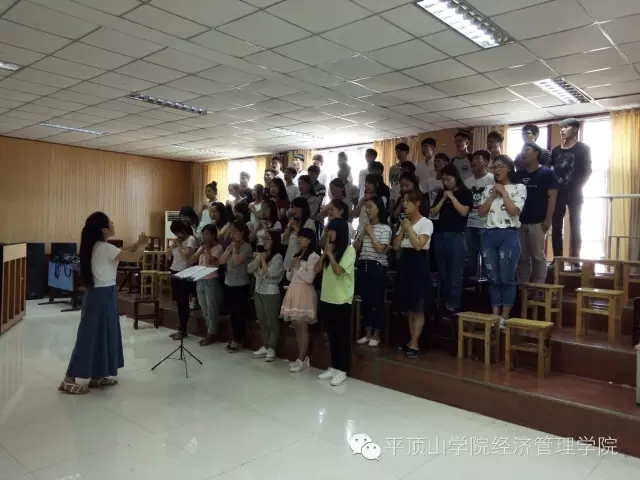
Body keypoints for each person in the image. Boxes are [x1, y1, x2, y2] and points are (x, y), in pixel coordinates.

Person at [59, 212, 148, 394]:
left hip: (101, 294)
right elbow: (133, 257)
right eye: (110, 222)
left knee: (104, 334)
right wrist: (143, 246)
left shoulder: (97, 246)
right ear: (104, 230)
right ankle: (68, 379)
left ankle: (97, 374)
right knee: (89, 336)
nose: (113, 224)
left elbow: (124, 250)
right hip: (101, 295)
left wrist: (137, 244)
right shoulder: (105, 248)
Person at [478, 155, 527, 325]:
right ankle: (495, 314)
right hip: (489, 234)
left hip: (509, 234)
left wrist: (504, 192)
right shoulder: (488, 189)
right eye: (494, 167)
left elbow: (514, 211)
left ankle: (505, 316)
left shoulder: (519, 187)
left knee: (507, 277)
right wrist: (493, 194)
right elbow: (481, 212)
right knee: (493, 277)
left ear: (509, 168)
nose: (497, 170)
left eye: (501, 166)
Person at [314, 218, 356, 386]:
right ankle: (334, 365)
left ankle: (342, 369)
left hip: (341, 300)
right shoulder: (328, 250)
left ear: (340, 232)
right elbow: (317, 269)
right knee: (331, 336)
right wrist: (325, 254)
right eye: (328, 230)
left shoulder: (349, 251)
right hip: (326, 298)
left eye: (332, 231)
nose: (329, 234)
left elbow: (338, 271)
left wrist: (330, 255)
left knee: (342, 336)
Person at [392, 191, 433, 359]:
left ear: (417, 203)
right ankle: (410, 340)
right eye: (403, 202)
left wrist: (408, 227)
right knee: (409, 306)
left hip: (419, 262)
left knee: (418, 305)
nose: (404, 205)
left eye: (407, 202)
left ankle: (415, 342)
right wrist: (403, 228)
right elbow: (395, 246)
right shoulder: (404, 222)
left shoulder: (426, 223)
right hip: (405, 261)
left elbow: (418, 245)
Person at [430, 165, 473, 314]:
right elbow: (432, 212)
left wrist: (452, 197)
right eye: (443, 180)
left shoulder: (465, 192)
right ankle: (443, 301)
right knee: (443, 272)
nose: (446, 182)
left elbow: (463, 212)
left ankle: (454, 303)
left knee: (455, 271)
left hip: (457, 235)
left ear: (456, 177)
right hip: (440, 234)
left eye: (448, 179)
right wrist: (443, 198)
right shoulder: (441, 193)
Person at [551, 118, 592, 260]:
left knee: (575, 225)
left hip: (574, 192)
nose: (562, 130)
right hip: (557, 193)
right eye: (561, 127)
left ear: (575, 129)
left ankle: (575, 259)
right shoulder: (556, 150)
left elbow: (587, 171)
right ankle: (557, 259)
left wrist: (576, 187)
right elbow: (551, 171)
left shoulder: (583, 148)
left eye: (566, 127)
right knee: (556, 226)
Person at [517, 142, 558, 285]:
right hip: (519, 222)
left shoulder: (547, 173)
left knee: (538, 256)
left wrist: (547, 220)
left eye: (527, 149)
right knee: (522, 257)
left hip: (538, 222)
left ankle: (539, 287)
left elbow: (552, 197)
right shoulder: (519, 174)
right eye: (522, 150)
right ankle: (523, 287)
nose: (523, 152)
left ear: (537, 153)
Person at [354, 196, 392, 347]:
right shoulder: (365, 226)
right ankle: (367, 332)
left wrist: (370, 233)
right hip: (363, 265)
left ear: (378, 209)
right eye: (366, 208)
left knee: (377, 301)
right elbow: (355, 248)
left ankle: (377, 334)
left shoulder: (385, 228)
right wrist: (363, 233)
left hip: (377, 266)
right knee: (366, 301)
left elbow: (381, 249)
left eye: (370, 207)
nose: (367, 211)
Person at [281, 228, 320, 373]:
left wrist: (298, 266)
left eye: (302, 237)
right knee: (296, 325)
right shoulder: (297, 255)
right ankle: (301, 357)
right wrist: (290, 268)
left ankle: (302, 358)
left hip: (304, 292)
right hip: (294, 289)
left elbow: (309, 278)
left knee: (302, 326)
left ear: (309, 240)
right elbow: (289, 277)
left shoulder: (314, 256)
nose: (299, 240)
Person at [248, 230, 285, 362]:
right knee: (262, 320)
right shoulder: (260, 254)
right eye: (263, 239)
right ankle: (265, 344)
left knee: (271, 321)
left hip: (271, 292)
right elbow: (250, 269)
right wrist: (259, 258)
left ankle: (272, 347)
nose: (264, 242)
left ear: (274, 241)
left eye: (267, 239)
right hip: (258, 290)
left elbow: (269, 274)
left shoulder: (277, 257)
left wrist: (262, 259)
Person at [219, 221, 253, 352]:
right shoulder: (230, 246)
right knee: (232, 313)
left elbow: (237, 261)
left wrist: (234, 249)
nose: (232, 234)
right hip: (229, 283)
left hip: (240, 284)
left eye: (235, 232)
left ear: (242, 232)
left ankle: (238, 340)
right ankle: (234, 338)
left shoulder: (247, 247)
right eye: (231, 232)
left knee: (239, 313)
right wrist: (230, 249)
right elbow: (221, 261)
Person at [465, 150, 495, 278]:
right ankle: (471, 284)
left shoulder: (492, 179)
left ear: (486, 162)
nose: (474, 161)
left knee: (487, 255)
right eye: (473, 159)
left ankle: (487, 284)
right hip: (469, 222)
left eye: (478, 159)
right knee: (470, 256)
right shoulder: (467, 182)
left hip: (486, 223)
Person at [192, 224, 223, 346]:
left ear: (213, 235)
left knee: (212, 308)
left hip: (211, 280)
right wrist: (200, 250)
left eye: (207, 235)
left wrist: (208, 249)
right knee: (204, 307)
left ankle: (212, 333)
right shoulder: (202, 247)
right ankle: (209, 331)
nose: (204, 237)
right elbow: (191, 259)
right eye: (203, 235)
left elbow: (211, 260)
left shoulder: (218, 248)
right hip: (200, 279)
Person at [166, 221, 198, 340]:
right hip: (175, 271)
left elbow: (187, 256)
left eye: (178, 232)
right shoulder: (177, 241)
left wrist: (179, 245)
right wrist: (173, 245)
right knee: (179, 302)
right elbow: (167, 254)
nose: (177, 235)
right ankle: (180, 328)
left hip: (185, 273)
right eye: (175, 233)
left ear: (184, 230)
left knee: (184, 302)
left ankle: (183, 329)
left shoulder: (191, 240)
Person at [282, 197, 316, 270]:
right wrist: (288, 228)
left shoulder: (309, 222)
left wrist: (295, 227)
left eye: (296, 207)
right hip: (289, 259)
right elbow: (283, 241)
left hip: (301, 261)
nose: (293, 210)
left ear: (303, 208)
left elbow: (308, 241)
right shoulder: (293, 222)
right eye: (292, 207)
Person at [389, 142, 410, 207]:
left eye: (400, 151)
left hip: (407, 198)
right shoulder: (392, 168)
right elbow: (391, 183)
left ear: (406, 152)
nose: (398, 154)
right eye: (396, 152)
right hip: (395, 197)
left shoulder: (410, 167)